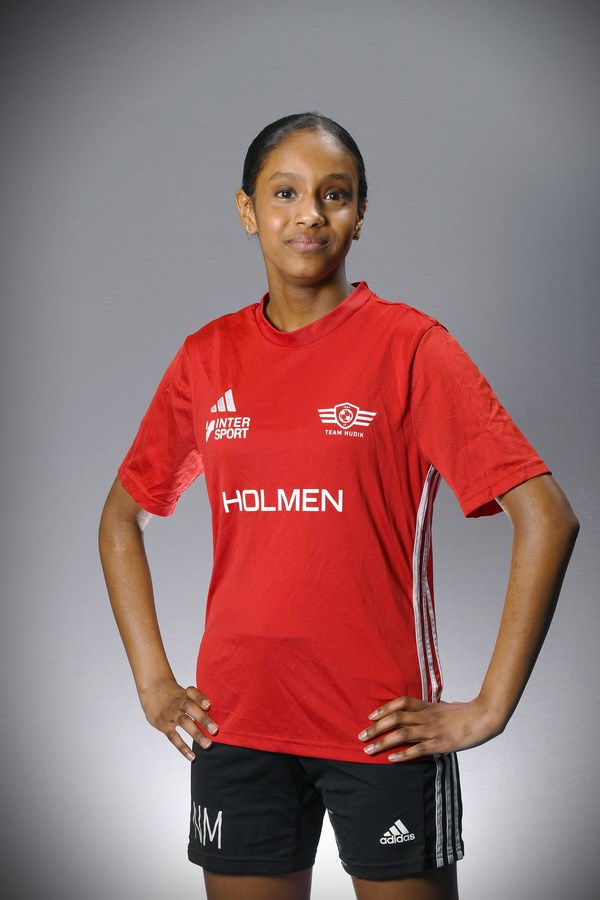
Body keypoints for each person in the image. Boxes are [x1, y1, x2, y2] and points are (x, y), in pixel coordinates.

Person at [99, 112, 579, 900]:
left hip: (381, 730)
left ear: (360, 213)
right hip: (238, 725)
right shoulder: (205, 358)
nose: (310, 214)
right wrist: (154, 682)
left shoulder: (411, 347)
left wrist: (491, 707)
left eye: (334, 194)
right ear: (248, 210)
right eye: (285, 193)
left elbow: (548, 516)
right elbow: (122, 519)